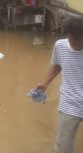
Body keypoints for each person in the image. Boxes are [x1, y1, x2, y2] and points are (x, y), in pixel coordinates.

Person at [35, 18, 83, 153]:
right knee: (63, 146)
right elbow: (57, 65)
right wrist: (45, 83)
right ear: (68, 35)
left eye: (81, 42)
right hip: (69, 104)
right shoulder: (60, 46)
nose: (78, 45)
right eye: (75, 42)